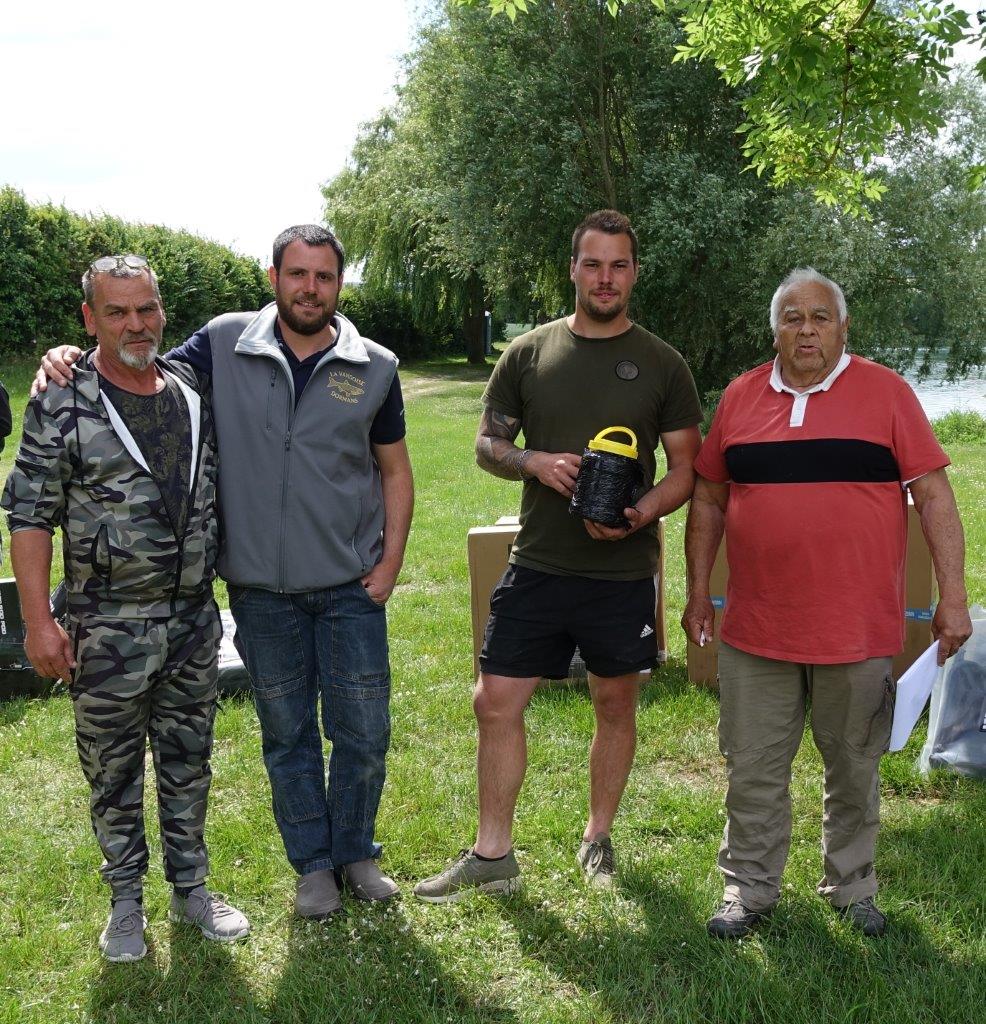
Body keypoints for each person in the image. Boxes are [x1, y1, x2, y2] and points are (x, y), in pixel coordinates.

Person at [38, 225, 414, 919]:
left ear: (339, 284)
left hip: (348, 586)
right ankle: (314, 867)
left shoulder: (375, 366)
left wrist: (389, 562)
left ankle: (356, 851)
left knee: (363, 730)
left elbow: (394, 470)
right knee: (286, 732)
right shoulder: (222, 342)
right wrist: (66, 357)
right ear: (273, 277)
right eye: (296, 274)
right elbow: (133, 364)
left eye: (324, 277)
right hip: (260, 593)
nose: (310, 288)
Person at [414, 210, 702, 902]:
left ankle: (597, 835)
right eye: (593, 264)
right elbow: (487, 445)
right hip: (538, 560)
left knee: (615, 703)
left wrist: (641, 512)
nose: (606, 278)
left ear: (634, 273)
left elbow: (687, 470)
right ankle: (493, 854)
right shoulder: (529, 353)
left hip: (622, 570)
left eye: (619, 265)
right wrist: (533, 461)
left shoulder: (662, 362)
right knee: (495, 700)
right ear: (573, 269)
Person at [682, 267, 973, 939]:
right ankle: (748, 891)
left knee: (854, 768)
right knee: (752, 770)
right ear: (776, 330)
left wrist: (953, 597)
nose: (806, 330)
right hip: (756, 630)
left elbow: (933, 497)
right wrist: (698, 590)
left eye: (819, 317)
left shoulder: (887, 394)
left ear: (843, 328)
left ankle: (851, 888)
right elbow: (708, 497)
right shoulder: (741, 397)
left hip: (855, 630)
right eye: (792, 318)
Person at [3, 255, 249, 962]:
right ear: (88, 319)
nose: (134, 324)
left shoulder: (188, 385)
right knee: (111, 772)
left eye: (145, 309)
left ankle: (192, 889)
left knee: (188, 761)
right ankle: (124, 906)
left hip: (193, 624)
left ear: (161, 310)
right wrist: (37, 623)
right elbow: (28, 516)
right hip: (105, 627)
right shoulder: (62, 399)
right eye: (116, 312)